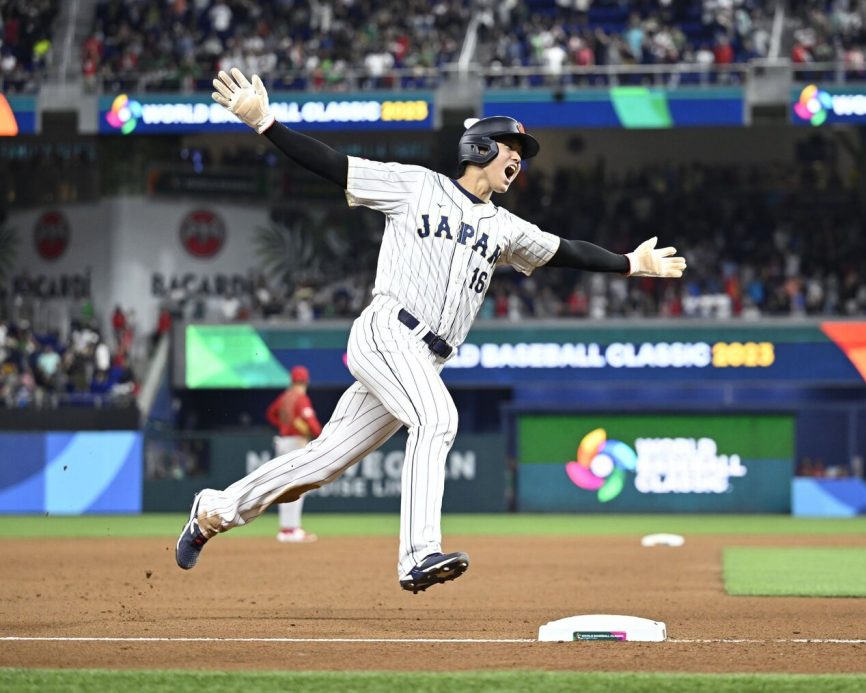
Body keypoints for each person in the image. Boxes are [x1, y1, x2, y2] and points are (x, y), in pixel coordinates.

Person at [176, 68, 686, 593]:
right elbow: (335, 166)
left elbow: (566, 251)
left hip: (425, 357)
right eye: (513, 147)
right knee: (438, 418)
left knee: (321, 464)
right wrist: (266, 123)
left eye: (523, 153)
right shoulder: (418, 185)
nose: (519, 158)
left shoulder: (506, 227)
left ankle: (214, 510)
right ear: (481, 146)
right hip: (387, 330)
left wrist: (630, 263)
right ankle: (418, 555)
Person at [265, 365, 322, 543]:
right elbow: (312, 424)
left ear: (292, 380)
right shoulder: (301, 399)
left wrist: (283, 425)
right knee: (297, 487)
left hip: (282, 442)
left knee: (284, 487)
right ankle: (292, 529)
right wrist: (320, 436)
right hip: (295, 443)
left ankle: (286, 529)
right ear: (306, 381)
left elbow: (270, 414)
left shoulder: (285, 397)